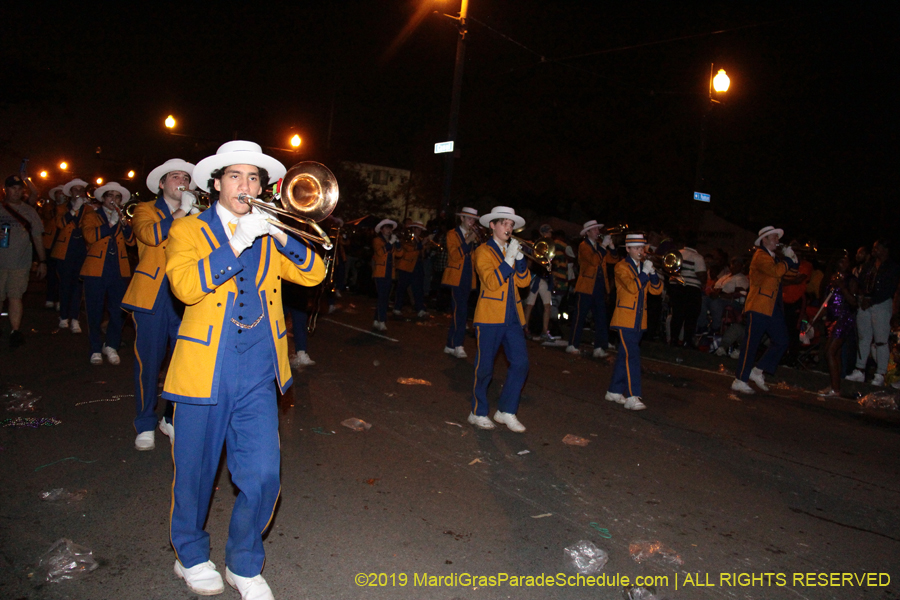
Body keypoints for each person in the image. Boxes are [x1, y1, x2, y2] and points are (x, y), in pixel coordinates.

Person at [162, 141, 325, 599]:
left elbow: (313, 273)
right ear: (216, 183)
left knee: (264, 474)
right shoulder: (189, 229)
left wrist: (280, 234)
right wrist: (237, 241)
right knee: (195, 475)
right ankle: (189, 555)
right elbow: (185, 286)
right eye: (235, 176)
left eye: (253, 178)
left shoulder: (269, 233)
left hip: (257, 372)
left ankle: (243, 563)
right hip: (203, 369)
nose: (245, 185)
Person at [122, 158, 196, 451]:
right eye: (175, 176)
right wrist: (181, 212)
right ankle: (144, 422)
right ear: (162, 184)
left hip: (184, 295)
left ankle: (171, 417)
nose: (182, 182)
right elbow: (151, 235)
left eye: (186, 178)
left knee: (183, 363)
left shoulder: (194, 213)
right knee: (149, 363)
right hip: (152, 294)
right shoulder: (145, 209)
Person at [468, 206, 530, 432]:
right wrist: (509, 258)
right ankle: (477, 411)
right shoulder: (482, 251)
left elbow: (524, 282)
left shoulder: (511, 250)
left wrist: (519, 259)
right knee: (485, 367)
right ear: (492, 225)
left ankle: (506, 410)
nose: (509, 228)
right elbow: (492, 282)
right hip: (490, 316)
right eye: (504, 223)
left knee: (521, 363)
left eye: (511, 224)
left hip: (512, 316)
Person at [731, 226, 799, 394]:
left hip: (770, 307)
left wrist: (793, 259)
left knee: (782, 340)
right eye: (774, 237)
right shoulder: (760, 256)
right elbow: (776, 272)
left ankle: (758, 370)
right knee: (751, 344)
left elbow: (790, 274)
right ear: (765, 240)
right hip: (759, 306)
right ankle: (740, 379)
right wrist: (788, 260)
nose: (777, 240)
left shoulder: (772, 257)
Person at [605, 233, 663, 411]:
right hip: (625, 319)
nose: (641, 251)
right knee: (633, 356)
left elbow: (656, 291)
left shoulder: (643, 267)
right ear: (628, 249)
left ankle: (614, 391)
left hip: (639, 320)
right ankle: (632, 395)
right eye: (637, 248)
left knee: (625, 356)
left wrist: (652, 273)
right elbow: (632, 287)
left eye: (642, 248)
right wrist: (644, 273)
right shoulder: (621, 267)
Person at [79, 182, 135, 365]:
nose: (113, 199)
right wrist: (110, 223)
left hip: (118, 269)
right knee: (94, 311)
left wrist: (125, 224)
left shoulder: (122, 217)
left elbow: (131, 242)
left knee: (119, 311)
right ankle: (95, 347)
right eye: (110, 195)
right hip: (96, 270)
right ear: (103, 198)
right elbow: (90, 237)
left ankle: (111, 345)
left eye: (117, 197)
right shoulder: (92, 216)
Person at [845, 239, 900, 386]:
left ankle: (880, 373)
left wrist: (873, 300)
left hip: (881, 304)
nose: (874, 250)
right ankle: (860, 370)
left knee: (881, 340)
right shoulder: (869, 265)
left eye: (877, 248)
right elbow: (861, 282)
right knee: (864, 337)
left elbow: (890, 289)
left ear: (885, 249)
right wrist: (862, 297)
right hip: (866, 304)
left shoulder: (892, 267)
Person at [1, 174, 47, 349]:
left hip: (20, 263)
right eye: (13, 188)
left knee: (16, 296)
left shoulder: (29, 211)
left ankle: (15, 330)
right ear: (5, 189)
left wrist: (42, 261)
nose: (16, 192)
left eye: (19, 189)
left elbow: (37, 237)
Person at [567, 220, 617, 357]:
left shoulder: (599, 246)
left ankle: (599, 347)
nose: (597, 232)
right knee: (580, 316)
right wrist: (604, 246)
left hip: (599, 287)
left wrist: (612, 247)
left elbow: (614, 259)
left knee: (601, 318)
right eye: (594, 230)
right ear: (587, 232)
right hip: (586, 287)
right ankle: (572, 344)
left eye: (597, 229)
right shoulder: (584, 246)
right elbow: (594, 260)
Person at [52, 178, 91, 334]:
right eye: (76, 190)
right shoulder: (62, 207)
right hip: (66, 251)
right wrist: (74, 210)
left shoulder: (88, 209)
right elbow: (60, 223)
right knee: (65, 285)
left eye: (81, 190)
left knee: (78, 287)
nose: (79, 193)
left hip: (81, 250)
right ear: (70, 192)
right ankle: (63, 317)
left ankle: (75, 318)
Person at [818, 251, 858, 397]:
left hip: (843, 318)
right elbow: (826, 302)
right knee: (836, 353)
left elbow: (853, 302)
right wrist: (817, 317)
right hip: (831, 319)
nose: (845, 264)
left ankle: (835, 389)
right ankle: (835, 385)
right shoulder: (830, 279)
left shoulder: (850, 280)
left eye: (847, 261)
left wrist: (842, 286)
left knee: (830, 351)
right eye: (842, 261)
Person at [442, 207, 479, 358]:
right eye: (469, 218)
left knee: (459, 311)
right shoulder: (452, 234)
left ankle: (450, 345)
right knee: (461, 311)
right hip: (456, 277)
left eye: (473, 219)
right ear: (462, 218)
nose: (472, 222)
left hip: (469, 276)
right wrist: (469, 240)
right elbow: (454, 255)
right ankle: (458, 345)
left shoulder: (474, 235)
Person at [667, 234, 706, 347]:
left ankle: (674, 339)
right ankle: (687, 341)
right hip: (691, 289)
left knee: (677, 314)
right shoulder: (697, 257)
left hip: (676, 287)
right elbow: (701, 275)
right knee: (691, 316)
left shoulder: (677, 254)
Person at [522, 224, 556, 341]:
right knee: (529, 305)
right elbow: (529, 264)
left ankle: (545, 331)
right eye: (548, 232)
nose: (550, 235)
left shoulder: (549, 246)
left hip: (544, 278)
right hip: (534, 278)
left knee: (548, 305)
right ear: (543, 233)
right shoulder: (535, 245)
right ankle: (525, 329)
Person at [393, 221, 427, 318]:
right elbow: (409, 249)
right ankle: (397, 308)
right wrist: (421, 244)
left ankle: (420, 309)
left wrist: (426, 248)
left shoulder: (419, 239)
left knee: (418, 288)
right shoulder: (407, 238)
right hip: (406, 266)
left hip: (417, 266)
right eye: (418, 229)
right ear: (413, 229)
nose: (420, 231)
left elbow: (421, 253)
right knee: (402, 288)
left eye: (420, 229)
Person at [40, 185, 67, 309]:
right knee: (51, 273)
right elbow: (48, 215)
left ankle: (60, 299)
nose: (60, 195)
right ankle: (50, 297)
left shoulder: (68, 207)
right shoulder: (49, 206)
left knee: (62, 273)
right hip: (50, 243)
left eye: (62, 193)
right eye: (58, 193)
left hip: (63, 243)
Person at [372, 218, 398, 331]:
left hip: (389, 272)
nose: (389, 230)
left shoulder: (391, 241)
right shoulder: (377, 240)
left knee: (384, 297)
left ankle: (376, 320)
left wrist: (397, 243)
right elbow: (380, 252)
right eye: (387, 228)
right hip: (380, 272)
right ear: (381, 230)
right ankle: (382, 320)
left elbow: (400, 254)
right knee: (382, 297)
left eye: (390, 228)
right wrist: (391, 242)